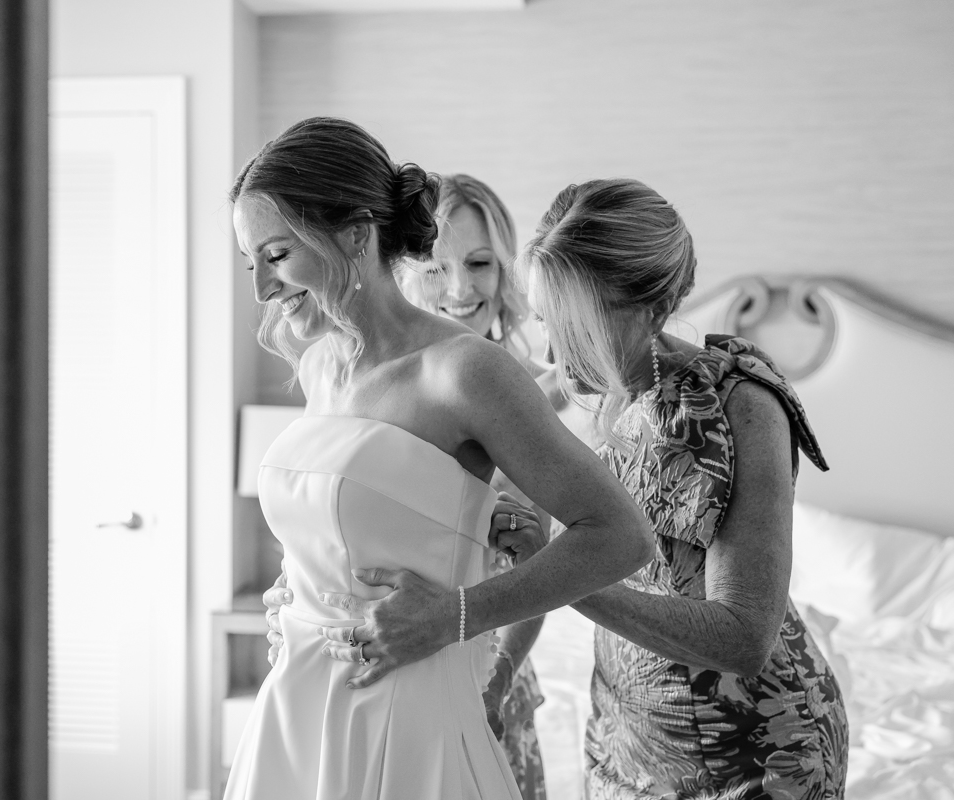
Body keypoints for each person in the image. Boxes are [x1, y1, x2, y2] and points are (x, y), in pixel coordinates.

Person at [323, 178, 850, 799]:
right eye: (545, 319)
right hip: (624, 741)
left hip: (759, 751)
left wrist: (562, 569)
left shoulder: (744, 406)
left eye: (575, 325)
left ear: (649, 307)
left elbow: (743, 637)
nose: (552, 348)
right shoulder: (552, 397)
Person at [224, 117, 653, 800]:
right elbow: (339, 522)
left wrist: (457, 613)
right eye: (252, 262)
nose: (262, 289)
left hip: (409, 720)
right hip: (296, 710)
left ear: (355, 234)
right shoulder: (320, 365)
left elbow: (622, 536)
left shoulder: (466, 371)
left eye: (276, 255)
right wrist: (292, 589)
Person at [265, 173, 557, 799]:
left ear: (504, 270)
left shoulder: (529, 390)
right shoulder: (336, 367)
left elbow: (557, 559)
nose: (460, 289)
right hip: (351, 671)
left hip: (482, 667)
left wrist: (496, 679)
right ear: (404, 268)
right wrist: (296, 589)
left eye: (479, 264)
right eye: (437, 268)